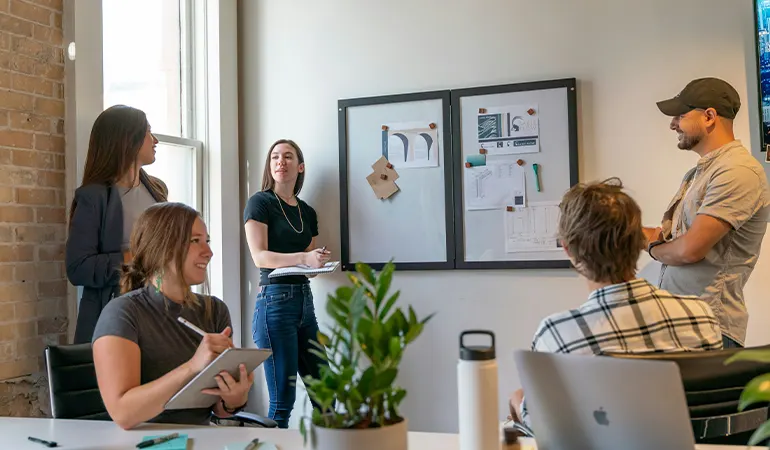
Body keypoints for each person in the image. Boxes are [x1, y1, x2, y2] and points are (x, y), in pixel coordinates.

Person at [510, 178, 722, 428]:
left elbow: (543, 426)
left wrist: (517, 401)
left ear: (568, 250)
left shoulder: (557, 334)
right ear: (639, 242)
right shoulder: (700, 316)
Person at [92, 202, 252, 430]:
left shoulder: (215, 310)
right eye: (195, 241)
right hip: (144, 440)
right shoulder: (122, 313)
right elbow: (123, 413)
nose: (208, 252)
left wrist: (233, 399)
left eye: (207, 241)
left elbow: (218, 408)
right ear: (162, 247)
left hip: (201, 438)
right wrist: (192, 366)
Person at [644, 78, 770, 348]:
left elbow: (689, 250)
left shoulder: (737, 171)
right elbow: (677, 241)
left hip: (708, 330)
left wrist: (652, 247)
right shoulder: (700, 173)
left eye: (680, 116)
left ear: (709, 117)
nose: (672, 124)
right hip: (685, 327)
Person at [243, 139, 330, 428]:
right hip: (275, 303)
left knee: (325, 394)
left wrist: (316, 262)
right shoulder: (260, 203)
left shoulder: (307, 212)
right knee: (283, 402)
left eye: (288, 156)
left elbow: (307, 266)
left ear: (300, 166)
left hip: (304, 299)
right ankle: (271, 445)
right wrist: (305, 258)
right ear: (270, 166)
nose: (281, 161)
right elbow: (260, 257)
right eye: (275, 157)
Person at [66, 105, 167, 344]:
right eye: (148, 131)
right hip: (113, 318)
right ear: (127, 139)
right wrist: (136, 257)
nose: (155, 140)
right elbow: (78, 268)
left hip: (158, 312)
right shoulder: (93, 197)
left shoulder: (158, 190)